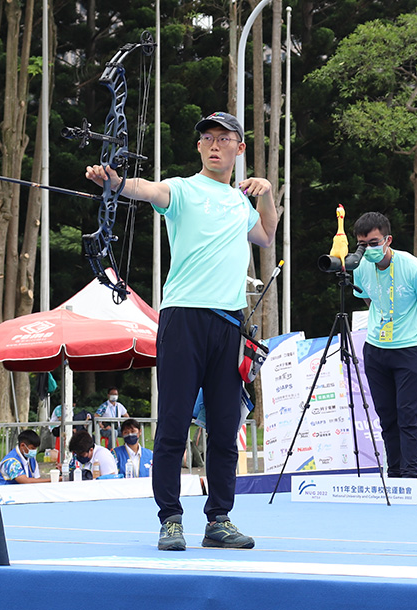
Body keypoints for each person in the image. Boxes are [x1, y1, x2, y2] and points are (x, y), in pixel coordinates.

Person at [86, 111, 278, 551]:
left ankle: (219, 520)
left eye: (224, 138)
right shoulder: (183, 189)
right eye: (207, 138)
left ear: (239, 148)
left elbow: (266, 234)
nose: (214, 145)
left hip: (228, 323)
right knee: (173, 424)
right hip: (182, 319)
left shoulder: (240, 202)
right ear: (199, 148)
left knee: (226, 428)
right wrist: (113, 182)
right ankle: (170, 518)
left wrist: (265, 194)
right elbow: (146, 189)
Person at [352, 211, 417, 479]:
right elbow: (368, 301)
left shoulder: (414, 268)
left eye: (375, 243)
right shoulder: (359, 267)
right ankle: (394, 472)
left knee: (408, 415)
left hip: (409, 348)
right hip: (376, 349)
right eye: (363, 244)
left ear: (388, 240)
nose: (369, 250)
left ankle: (411, 474)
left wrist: (413, 336)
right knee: (386, 416)